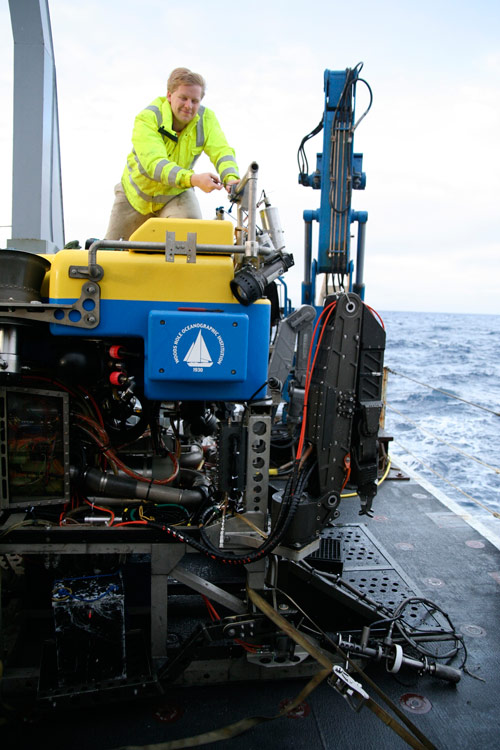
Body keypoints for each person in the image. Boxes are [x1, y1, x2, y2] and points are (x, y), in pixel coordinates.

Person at [105, 67, 239, 240]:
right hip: (135, 198)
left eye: (194, 101)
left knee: (191, 238)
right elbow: (155, 165)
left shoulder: (206, 120)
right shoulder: (148, 118)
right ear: (169, 95)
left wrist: (231, 177)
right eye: (183, 98)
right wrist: (194, 180)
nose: (188, 106)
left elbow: (222, 151)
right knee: (109, 253)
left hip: (175, 194)